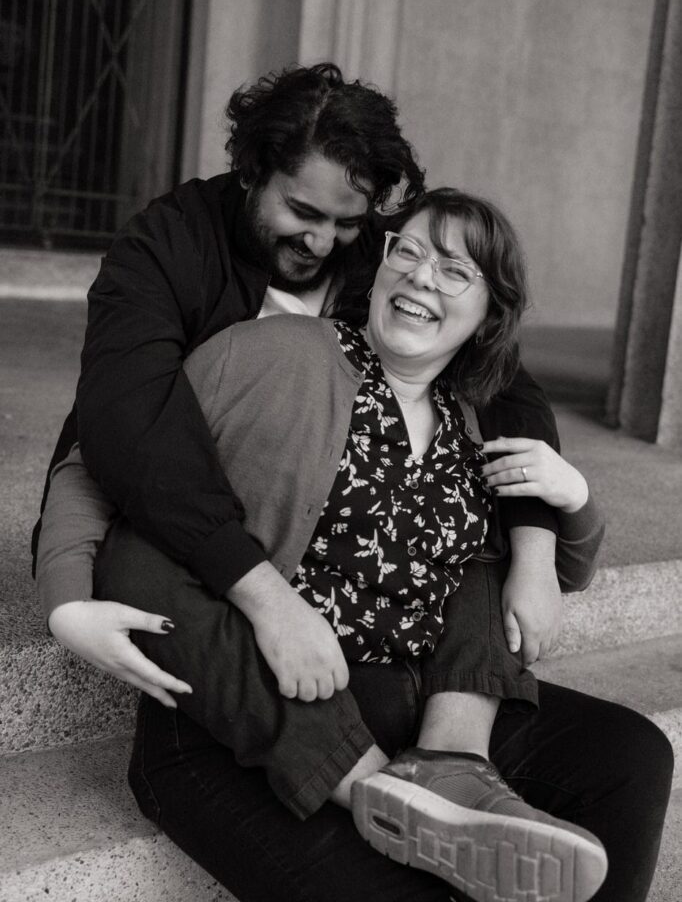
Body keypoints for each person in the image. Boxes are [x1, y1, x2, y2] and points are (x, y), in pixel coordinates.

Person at [37, 190, 672, 902]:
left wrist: (569, 506)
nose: (423, 275)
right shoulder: (269, 353)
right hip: (244, 715)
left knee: (631, 754)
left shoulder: (471, 418)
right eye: (409, 252)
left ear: (489, 314)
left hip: (419, 705)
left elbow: (562, 573)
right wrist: (64, 596)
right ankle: (396, 793)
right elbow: (114, 452)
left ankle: (446, 771)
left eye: (455, 270)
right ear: (378, 271)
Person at [34, 63, 559, 707]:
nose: (321, 241)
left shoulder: (374, 254)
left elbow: (505, 383)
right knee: (143, 565)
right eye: (302, 212)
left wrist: (536, 551)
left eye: (346, 221)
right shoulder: (166, 243)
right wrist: (257, 593)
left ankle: (457, 746)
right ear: (253, 170)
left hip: (329, 537)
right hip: (190, 515)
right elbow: (124, 428)